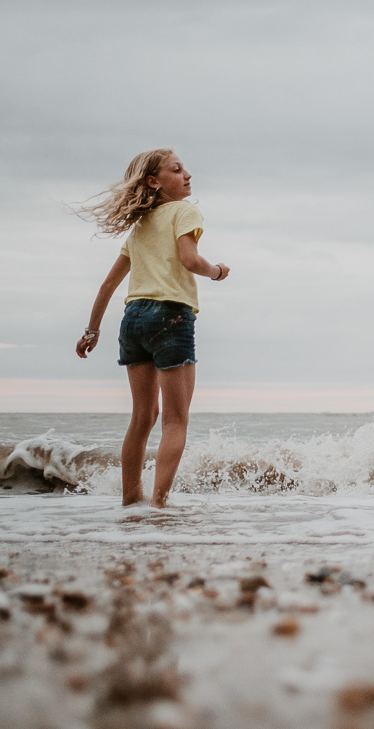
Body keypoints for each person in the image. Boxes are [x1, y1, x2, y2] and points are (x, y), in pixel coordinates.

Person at [74, 150, 230, 507]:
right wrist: (218, 271)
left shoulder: (140, 226)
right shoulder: (184, 211)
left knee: (142, 418)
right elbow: (190, 260)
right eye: (177, 170)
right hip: (171, 317)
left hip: (133, 321)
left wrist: (92, 331)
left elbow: (107, 286)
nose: (187, 175)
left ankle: (131, 502)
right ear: (153, 182)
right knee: (175, 420)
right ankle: (159, 505)